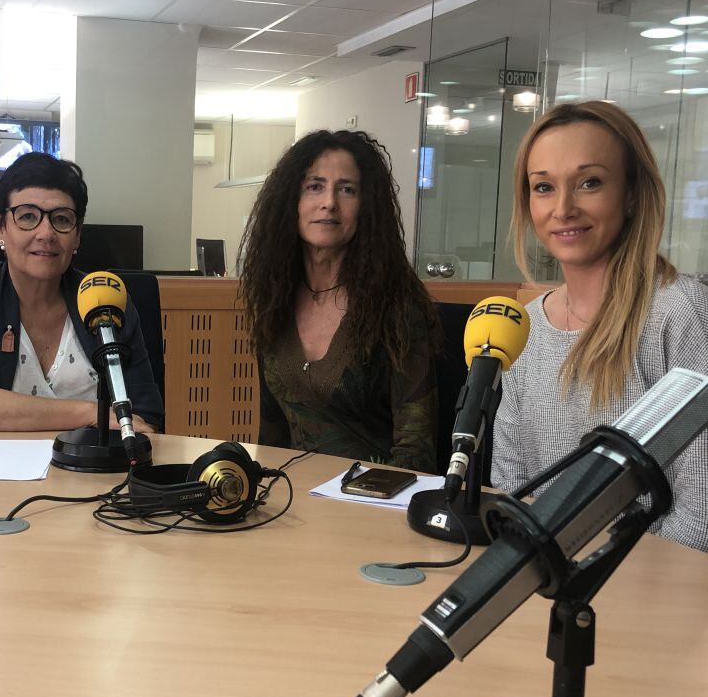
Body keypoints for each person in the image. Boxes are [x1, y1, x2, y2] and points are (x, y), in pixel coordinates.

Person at [492, 101, 708, 552]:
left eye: (590, 183)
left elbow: (700, 515)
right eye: (544, 187)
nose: (564, 208)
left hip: (648, 592)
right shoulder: (524, 326)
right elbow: (509, 483)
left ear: (631, 193)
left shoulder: (679, 311)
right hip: (540, 579)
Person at [238, 130, 440, 470]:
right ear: (292, 200)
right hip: (292, 498)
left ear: (366, 206)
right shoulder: (274, 297)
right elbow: (271, 432)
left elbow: (416, 451)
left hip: (375, 503)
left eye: (347, 189)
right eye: (314, 186)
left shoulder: (397, 305)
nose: (329, 202)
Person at [0, 152, 164, 433]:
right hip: (0, 474)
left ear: (78, 233)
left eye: (62, 219)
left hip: (98, 474)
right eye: (28, 216)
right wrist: (91, 413)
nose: (46, 233)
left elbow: (145, 418)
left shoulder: (107, 299)